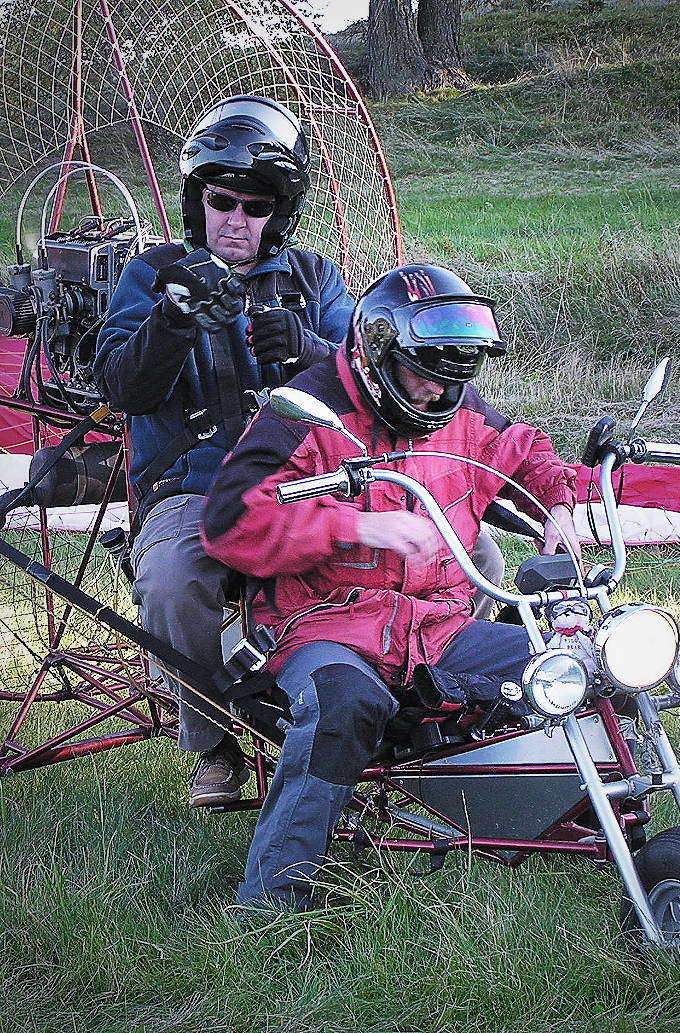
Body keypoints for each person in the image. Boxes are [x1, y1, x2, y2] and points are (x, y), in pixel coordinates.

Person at [201, 263, 581, 911]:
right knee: (343, 704)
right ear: (379, 354)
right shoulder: (309, 408)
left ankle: (591, 825)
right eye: (425, 375)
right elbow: (228, 521)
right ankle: (270, 905)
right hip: (321, 623)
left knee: (577, 662)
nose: (438, 393)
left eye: (456, 377)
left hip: (435, 626)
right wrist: (358, 527)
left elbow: (520, 448)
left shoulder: (454, 408)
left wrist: (559, 503)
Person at [94, 95, 354, 807]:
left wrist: (311, 352)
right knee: (175, 579)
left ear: (282, 212)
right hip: (193, 487)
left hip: (306, 484)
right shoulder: (153, 273)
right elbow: (120, 383)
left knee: (447, 550)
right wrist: (172, 318)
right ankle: (214, 742)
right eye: (221, 199)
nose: (236, 218)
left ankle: (372, 716)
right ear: (197, 198)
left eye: (256, 204)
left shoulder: (314, 280)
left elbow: (370, 380)